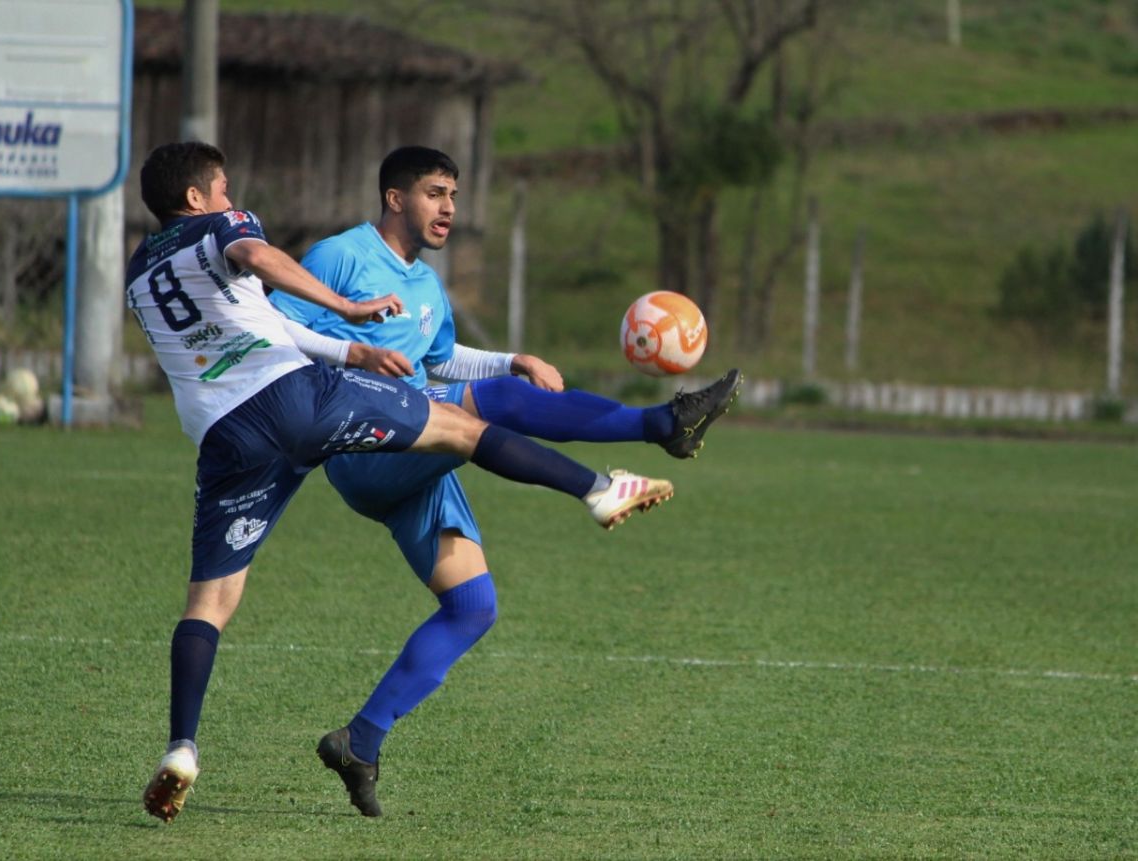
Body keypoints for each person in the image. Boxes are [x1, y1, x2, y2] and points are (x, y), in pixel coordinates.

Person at [127, 141, 675, 824]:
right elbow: (258, 260)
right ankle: (599, 487)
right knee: (464, 428)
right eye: (223, 189)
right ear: (196, 200)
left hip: (225, 438)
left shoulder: (140, 270)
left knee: (208, 603)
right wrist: (344, 308)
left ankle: (182, 746)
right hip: (296, 398)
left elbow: (256, 324)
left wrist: (353, 349)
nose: (231, 199)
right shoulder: (228, 228)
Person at [270, 146, 741, 817]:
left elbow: (440, 361)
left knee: (472, 607)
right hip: (361, 444)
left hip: (419, 445)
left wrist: (509, 359)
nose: (449, 209)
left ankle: (360, 740)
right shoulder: (338, 257)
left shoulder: (427, 286)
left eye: (454, 196)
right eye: (435, 193)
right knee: (479, 404)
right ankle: (662, 423)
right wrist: (343, 374)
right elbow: (275, 327)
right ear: (395, 197)